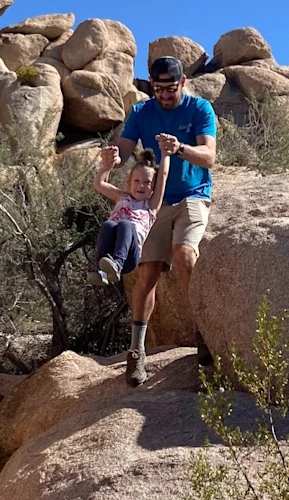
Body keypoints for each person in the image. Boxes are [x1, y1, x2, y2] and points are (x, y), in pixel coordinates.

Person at [114, 55, 217, 386]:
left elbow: (209, 156)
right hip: (155, 201)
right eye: (158, 89)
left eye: (170, 89)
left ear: (183, 83)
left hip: (193, 194)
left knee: (185, 254)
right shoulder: (142, 112)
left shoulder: (200, 110)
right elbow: (125, 145)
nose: (164, 96)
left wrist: (180, 148)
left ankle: (206, 335)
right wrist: (113, 155)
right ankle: (136, 351)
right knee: (148, 271)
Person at [88, 142, 171, 287]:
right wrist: (108, 167)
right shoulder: (122, 197)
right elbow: (99, 184)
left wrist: (165, 155)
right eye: (137, 181)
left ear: (153, 187)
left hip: (130, 257)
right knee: (108, 224)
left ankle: (117, 266)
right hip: (111, 249)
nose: (141, 186)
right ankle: (101, 271)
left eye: (147, 182)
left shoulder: (151, 206)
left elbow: (163, 176)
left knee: (125, 225)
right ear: (129, 183)